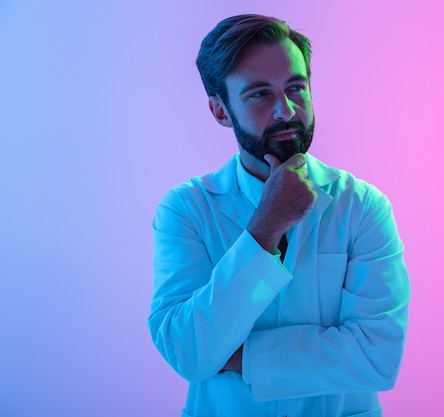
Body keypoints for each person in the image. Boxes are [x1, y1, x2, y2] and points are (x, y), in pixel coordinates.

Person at [148, 14, 410, 417]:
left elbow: (377, 358)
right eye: (260, 94)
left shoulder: (363, 207)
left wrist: (237, 356)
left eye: (296, 87)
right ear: (220, 111)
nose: (286, 110)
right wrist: (265, 226)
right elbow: (188, 353)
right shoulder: (186, 210)